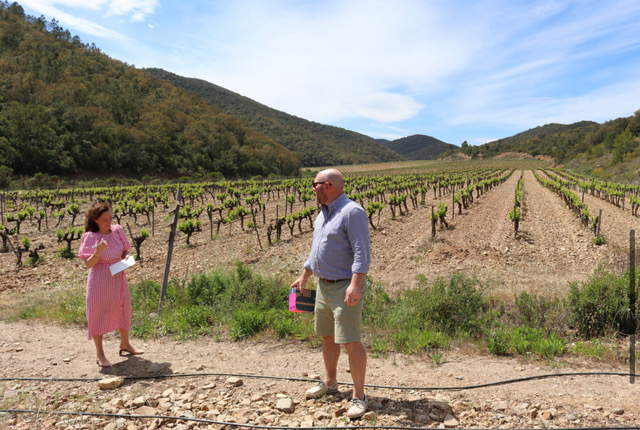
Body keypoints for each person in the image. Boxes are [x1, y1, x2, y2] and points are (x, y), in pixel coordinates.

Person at [290, 168, 371, 419]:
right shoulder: (322, 214)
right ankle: (331, 382)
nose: (311, 189)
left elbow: (362, 251)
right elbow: (317, 249)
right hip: (323, 286)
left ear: (328, 186)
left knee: (351, 341)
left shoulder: (352, 212)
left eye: (314, 184)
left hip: (344, 285)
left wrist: (355, 284)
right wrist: (305, 275)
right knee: (327, 337)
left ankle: (359, 396)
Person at [78, 202, 143, 367]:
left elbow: (125, 250)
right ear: (96, 220)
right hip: (99, 280)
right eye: (104, 219)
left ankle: (125, 344)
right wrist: (98, 252)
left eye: (110, 218)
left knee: (123, 309)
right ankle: (100, 354)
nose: (109, 222)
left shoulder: (117, 231)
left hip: (118, 276)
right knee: (98, 314)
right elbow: (88, 264)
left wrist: (126, 259)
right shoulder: (90, 237)